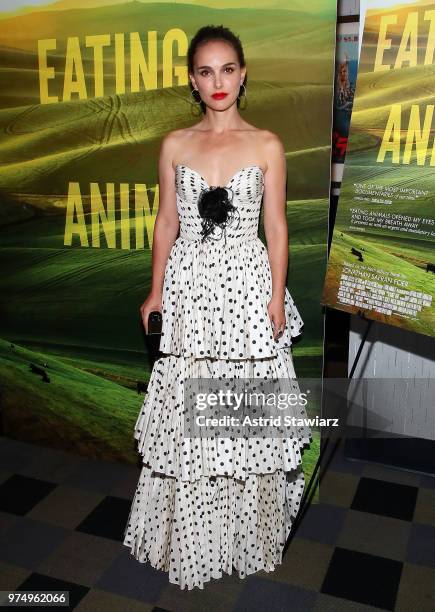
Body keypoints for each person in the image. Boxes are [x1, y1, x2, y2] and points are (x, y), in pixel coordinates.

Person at [123, 24, 312, 591]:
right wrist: (156, 290)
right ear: (192, 80)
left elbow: (276, 227)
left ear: (243, 73)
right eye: (206, 71)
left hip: (248, 289)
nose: (218, 81)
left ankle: (248, 534)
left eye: (228, 69)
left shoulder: (267, 144)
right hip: (189, 292)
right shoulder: (175, 145)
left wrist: (276, 295)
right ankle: (194, 536)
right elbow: (165, 223)